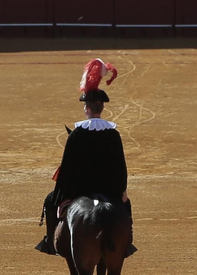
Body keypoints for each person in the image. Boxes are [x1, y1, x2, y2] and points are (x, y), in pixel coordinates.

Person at [34, 59, 136, 257]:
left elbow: (68, 166)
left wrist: (60, 191)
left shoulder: (77, 134)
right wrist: (122, 190)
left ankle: (50, 243)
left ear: (86, 108)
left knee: (50, 201)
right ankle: (127, 244)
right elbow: (120, 166)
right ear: (102, 108)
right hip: (109, 189)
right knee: (126, 205)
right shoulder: (112, 134)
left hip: (80, 189)